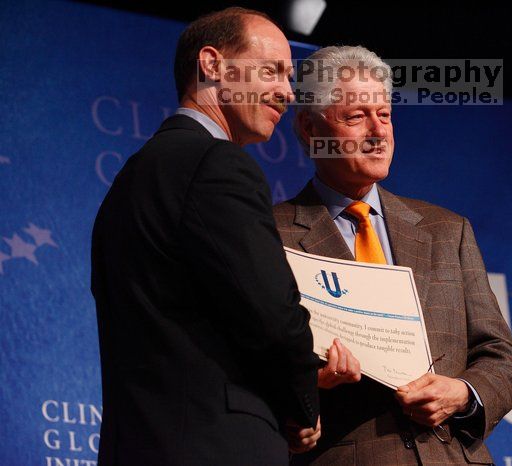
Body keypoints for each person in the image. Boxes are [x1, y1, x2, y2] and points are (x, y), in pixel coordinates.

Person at [273, 46, 512, 465]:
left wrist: (462, 393)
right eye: (356, 117)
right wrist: (311, 386)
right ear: (308, 127)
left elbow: (502, 354)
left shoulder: (447, 229)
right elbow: (247, 370)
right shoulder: (270, 235)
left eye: (385, 115)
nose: (378, 132)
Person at [91, 7, 320, 465]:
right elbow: (273, 318)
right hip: (214, 444)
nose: (287, 93)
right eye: (273, 70)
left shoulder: (130, 179)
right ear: (212, 64)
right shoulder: (216, 164)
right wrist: (304, 404)